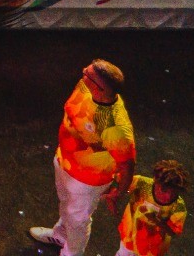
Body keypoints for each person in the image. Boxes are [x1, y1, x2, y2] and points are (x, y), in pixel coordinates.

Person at [30, 61, 136, 256]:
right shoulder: (85, 86)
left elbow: (127, 164)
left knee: (77, 220)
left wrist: (118, 192)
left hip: (86, 182)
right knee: (66, 206)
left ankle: (72, 253)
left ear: (99, 88)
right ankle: (61, 234)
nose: (82, 72)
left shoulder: (115, 127)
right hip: (64, 161)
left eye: (87, 74)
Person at [116, 161, 188, 256]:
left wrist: (156, 220)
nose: (168, 197)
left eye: (174, 193)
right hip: (129, 237)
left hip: (151, 248)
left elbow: (173, 232)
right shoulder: (141, 183)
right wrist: (114, 195)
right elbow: (121, 180)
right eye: (164, 190)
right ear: (155, 181)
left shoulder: (179, 207)